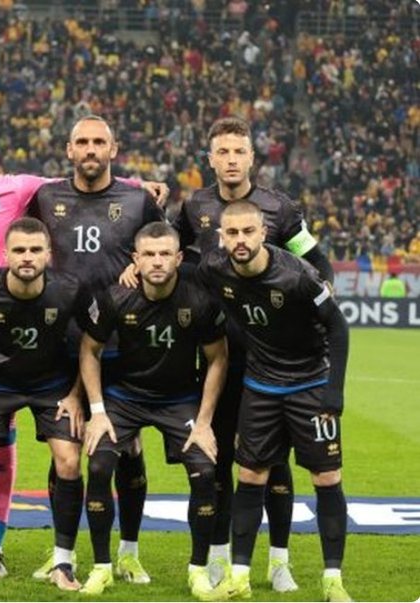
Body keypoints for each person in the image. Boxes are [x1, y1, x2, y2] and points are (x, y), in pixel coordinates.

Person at [0, 124, 169, 575]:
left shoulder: (18, 188)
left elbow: (95, 186)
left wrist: (139, 184)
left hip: (67, 336)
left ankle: (25, 547)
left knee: (89, 448)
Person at [167, 116, 335, 590]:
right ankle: (220, 558)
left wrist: (322, 304)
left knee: (275, 463)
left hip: (273, 357)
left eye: (239, 151)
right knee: (220, 459)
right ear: (210, 159)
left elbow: (317, 262)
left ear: (251, 158)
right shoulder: (194, 207)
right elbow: (168, 253)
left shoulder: (280, 208)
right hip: (218, 354)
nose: (231, 160)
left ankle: (279, 562)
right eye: (222, 151)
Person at [29, 115, 165, 582]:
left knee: (127, 447)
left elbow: (165, 247)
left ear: (114, 148)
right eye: (82, 142)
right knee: (64, 448)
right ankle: (61, 551)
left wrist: (140, 268)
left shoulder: (138, 200)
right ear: (69, 150)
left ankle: (128, 551)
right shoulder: (45, 197)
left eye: (99, 142)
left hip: (122, 345)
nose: (90, 149)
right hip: (62, 343)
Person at [198, 201, 351, 602]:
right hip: (261, 387)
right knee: (250, 476)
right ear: (221, 237)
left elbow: (338, 327)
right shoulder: (214, 268)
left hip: (309, 385)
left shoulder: (298, 276)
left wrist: (333, 392)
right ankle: (240, 578)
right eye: (232, 233)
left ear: (264, 233)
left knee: (326, 478)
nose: (241, 240)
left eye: (248, 231)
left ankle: (333, 580)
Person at [78, 222, 228, 600]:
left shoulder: (200, 301)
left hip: (179, 399)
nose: (157, 261)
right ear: (136, 259)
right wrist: (97, 411)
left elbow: (218, 359)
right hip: (124, 398)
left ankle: (198, 571)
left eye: (165, 254)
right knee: (98, 466)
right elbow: (89, 350)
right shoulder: (116, 298)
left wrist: (204, 421)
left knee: (206, 471)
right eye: (149, 254)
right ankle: (102, 567)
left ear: (179, 258)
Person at [0, 217, 87, 590]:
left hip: (53, 385)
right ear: (5, 254)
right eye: (19, 250)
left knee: (69, 461)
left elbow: (91, 345)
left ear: (48, 254)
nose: (27, 257)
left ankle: (63, 563)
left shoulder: (70, 289)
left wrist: (76, 395)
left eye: (34, 250)